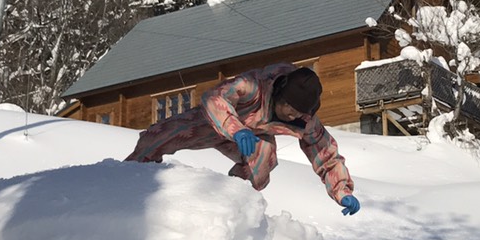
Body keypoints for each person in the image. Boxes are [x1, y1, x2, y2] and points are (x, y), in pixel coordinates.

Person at [126, 63, 360, 216]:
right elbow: (214, 97)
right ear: (280, 94)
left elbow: (326, 153)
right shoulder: (253, 86)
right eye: (288, 106)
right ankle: (123, 181)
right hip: (217, 122)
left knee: (265, 157)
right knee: (157, 138)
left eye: (298, 112)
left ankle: (231, 206)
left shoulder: (304, 120)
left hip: (251, 138)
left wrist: (342, 191)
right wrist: (235, 128)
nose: (292, 115)